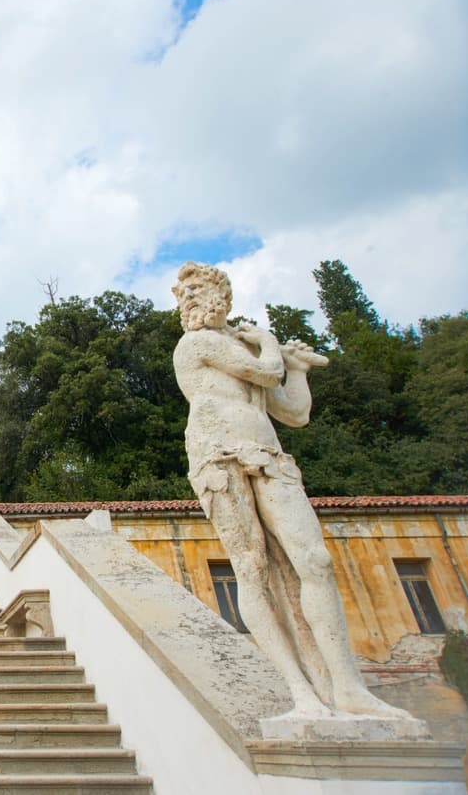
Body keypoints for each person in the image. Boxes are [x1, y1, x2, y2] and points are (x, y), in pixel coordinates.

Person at [171, 262, 407, 720]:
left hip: (268, 454)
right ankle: (300, 692)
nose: (192, 300)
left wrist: (297, 368)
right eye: (186, 294)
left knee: (313, 561)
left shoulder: (239, 347)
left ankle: (347, 687)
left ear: (224, 296)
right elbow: (265, 373)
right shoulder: (197, 344)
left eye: (200, 289)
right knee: (252, 566)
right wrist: (273, 345)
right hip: (217, 456)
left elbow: (294, 413)